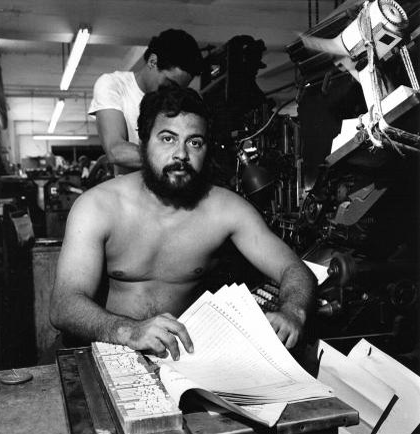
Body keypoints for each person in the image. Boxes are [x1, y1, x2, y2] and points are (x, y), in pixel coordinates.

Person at [50, 86, 316, 362]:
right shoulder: (98, 207)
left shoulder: (226, 209)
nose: (181, 154)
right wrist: (129, 331)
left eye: (195, 142)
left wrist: (293, 312)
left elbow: (294, 269)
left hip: (177, 358)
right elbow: (64, 305)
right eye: (168, 139)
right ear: (143, 144)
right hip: (102, 348)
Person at [88, 28, 203, 175]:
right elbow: (116, 151)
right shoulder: (113, 85)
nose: (172, 93)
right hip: (131, 186)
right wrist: (179, 159)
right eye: (169, 84)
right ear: (152, 62)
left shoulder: (175, 99)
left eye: (179, 89)